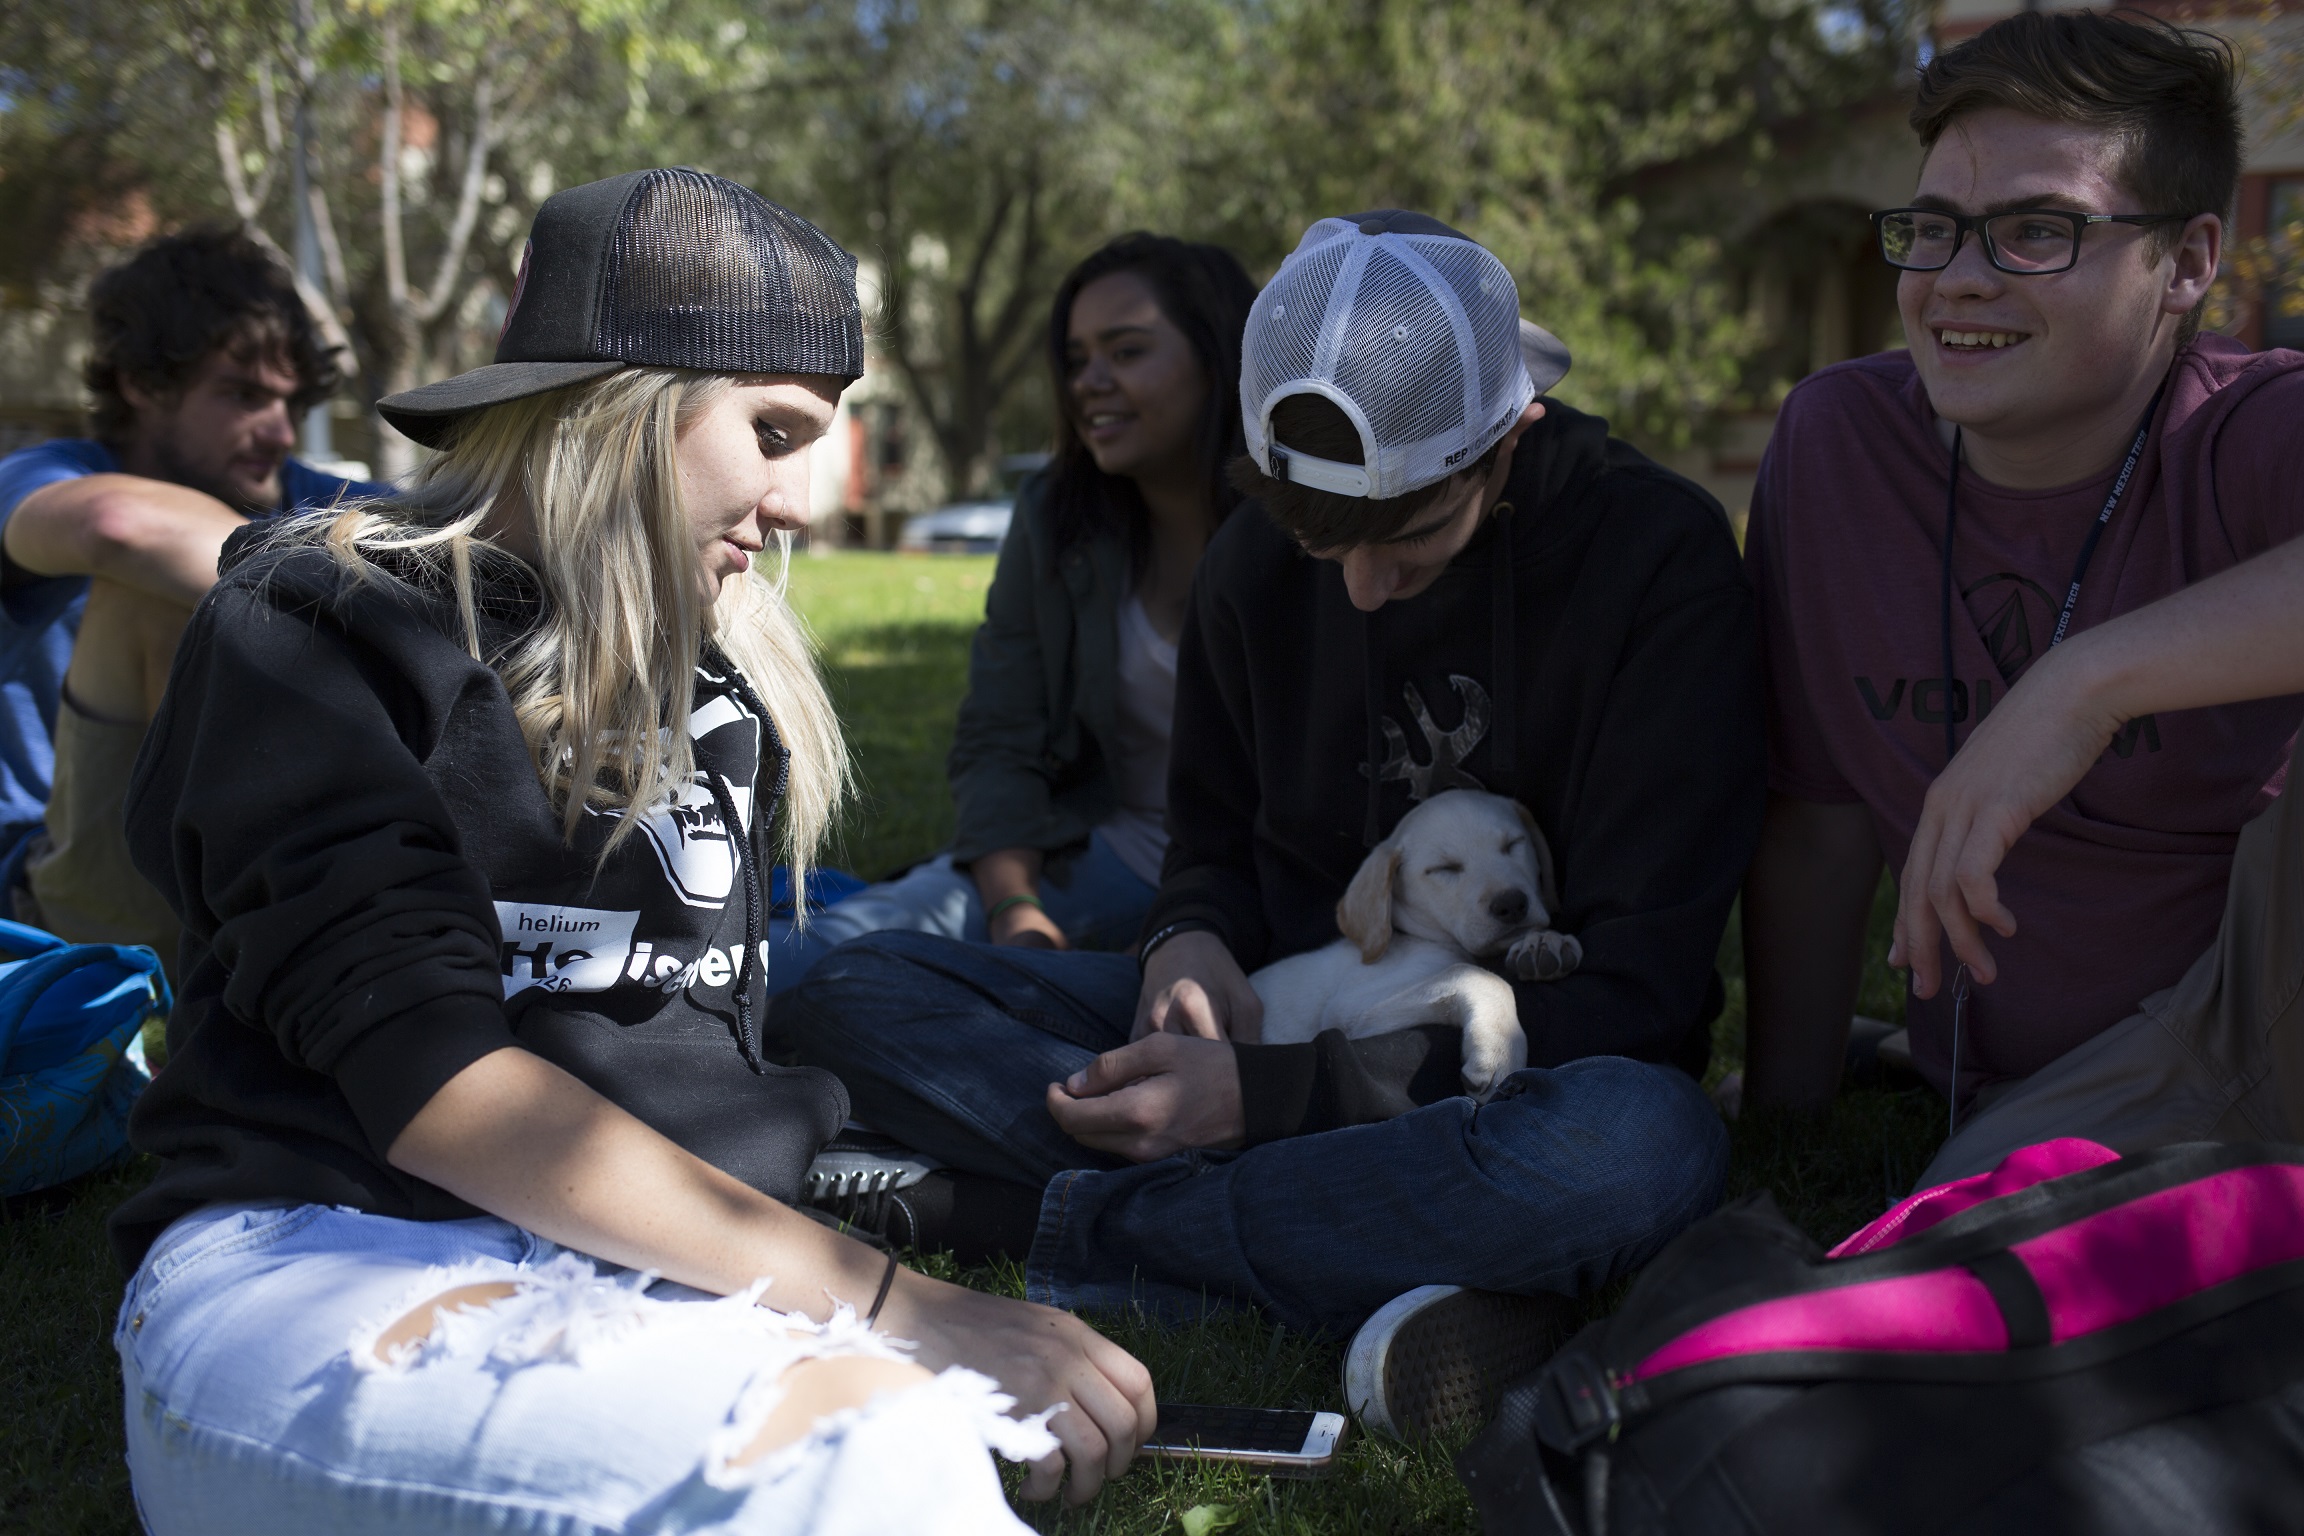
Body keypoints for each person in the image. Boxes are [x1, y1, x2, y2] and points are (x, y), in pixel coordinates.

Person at [107, 169, 1152, 1534]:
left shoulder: (718, 674)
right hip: (331, 1250)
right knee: (864, 1464)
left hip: (670, 1271)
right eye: (771, 431)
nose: (798, 503)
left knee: (905, 1449)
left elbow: (694, 1071)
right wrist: (894, 1302)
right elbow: (438, 1087)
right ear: (622, 403)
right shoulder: (319, 623)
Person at [779, 210, 1758, 1437]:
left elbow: (1641, 992)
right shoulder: (1251, 558)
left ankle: (1015, 1219)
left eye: (1412, 539)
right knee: (856, 991)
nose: (1361, 589)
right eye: (1318, 542)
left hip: (1524, 1066)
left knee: (1642, 1150)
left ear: (1512, 435)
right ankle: (1381, 1245)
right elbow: (1211, 842)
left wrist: (1272, 1100)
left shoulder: (1656, 557)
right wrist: (1186, 937)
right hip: (1275, 1003)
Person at [1739, 10, 2304, 1183]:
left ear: (2187, 263)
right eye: (1935, 229)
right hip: (2041, 1093)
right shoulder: (1839, 444)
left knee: (1988, 1241)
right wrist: (1782, 1129)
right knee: (1968, 1222)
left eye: (2037, 230)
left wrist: (2083, 684)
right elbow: (1819, 818)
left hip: (2259, 1021)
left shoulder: (2254, 426)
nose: (1957, 281)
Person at [762, 234, 1255, 986]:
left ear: (1218, 356)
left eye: (1127, 352)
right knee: (804, 966)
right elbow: (1001, 733)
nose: (1090, 382)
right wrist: (1015, 909)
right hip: (1097, 856)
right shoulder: (1057, 518)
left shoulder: (1299, 536)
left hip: (1244, 895)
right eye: (1076, 359)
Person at [0, 228, 388, 973]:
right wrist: (357, 612)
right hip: (71, 893)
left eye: (290, 401)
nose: (280, 431)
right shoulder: (49, 474)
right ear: (141, 385)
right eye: (242, 395)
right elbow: (119, 527)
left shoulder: (311, 497)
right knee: (147, 589)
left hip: (252, 869)